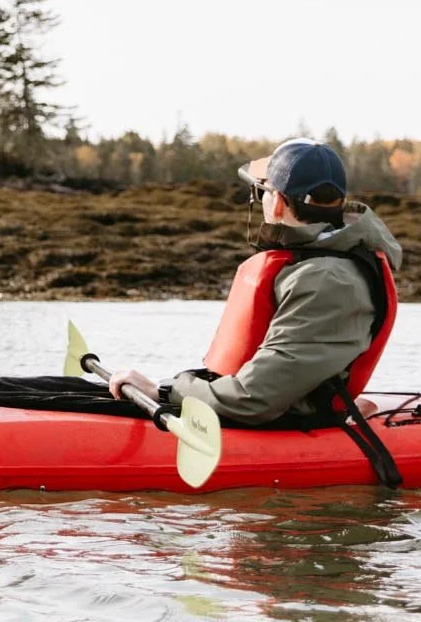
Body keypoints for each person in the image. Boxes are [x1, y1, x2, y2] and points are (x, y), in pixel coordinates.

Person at [106, 137, 403, 426]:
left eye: (262, 191)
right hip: (251, 405)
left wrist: (164, 391)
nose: (259, 199)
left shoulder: (328, 281)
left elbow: (253, 399)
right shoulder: (313, 267)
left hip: (272, 416)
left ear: (277, 204)